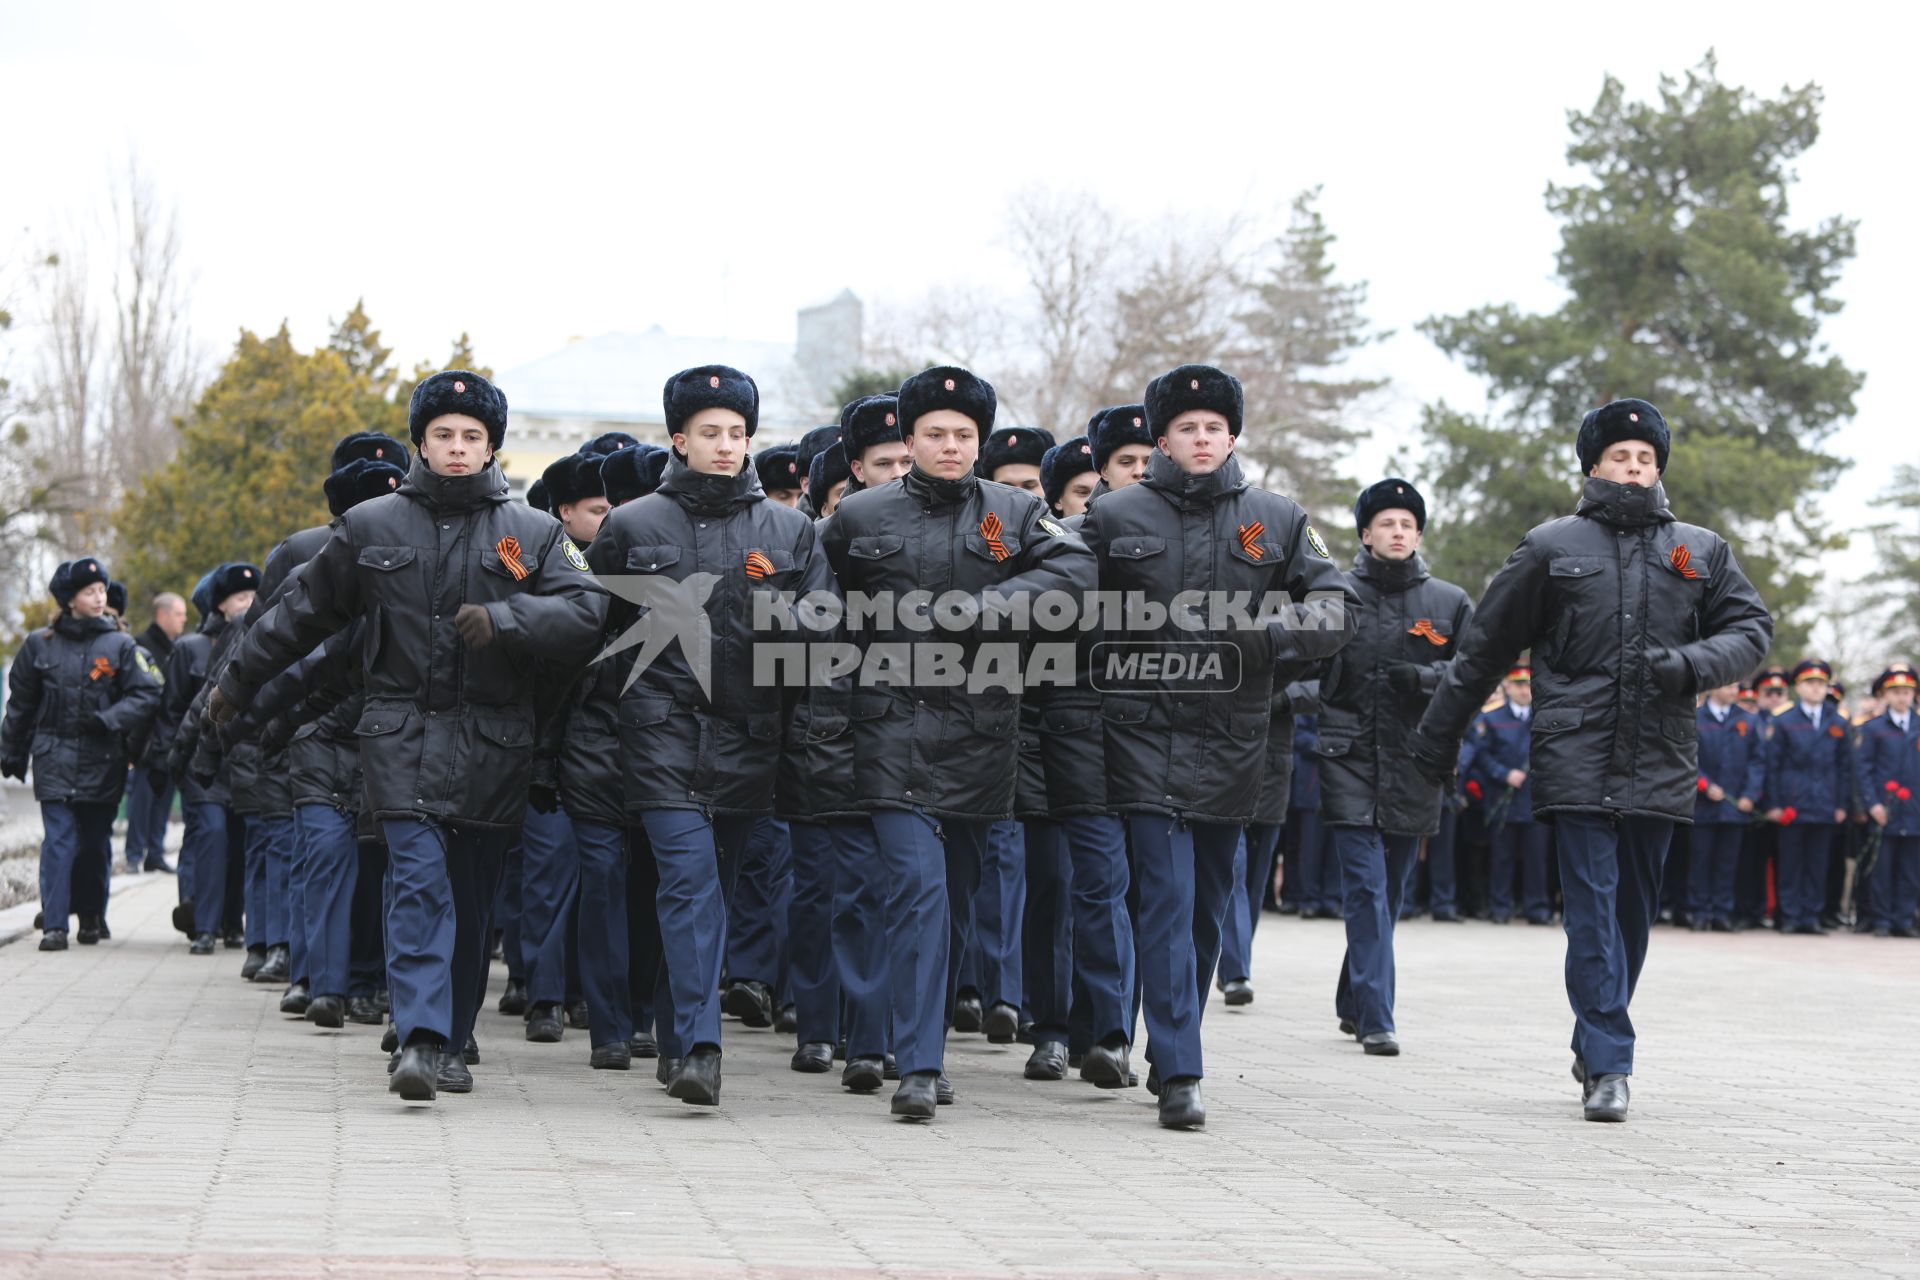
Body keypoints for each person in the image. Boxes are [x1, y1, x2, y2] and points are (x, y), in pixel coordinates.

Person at [210, 369, 606, 1103]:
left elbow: (587, 614)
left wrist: (509, 621)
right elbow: (299, 616)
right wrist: (234, 685)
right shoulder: (372, 528)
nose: (457, 449)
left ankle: (452, 1038)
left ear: (492, 448)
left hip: (493, 745)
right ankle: (419, 1038)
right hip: (397, 737)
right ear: (420, 441)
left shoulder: (535, 533)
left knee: (470, 895)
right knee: (419, 886)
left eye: (473, 437)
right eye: (444, 435)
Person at [1409, 397, 1772, 1122]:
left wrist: (1692, 664)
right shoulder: (1551, 545)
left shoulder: (1699, 549)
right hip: (1575, 751)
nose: (1633, 469)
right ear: (1593, 466)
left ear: (1658, 468)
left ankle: (1594, 1033)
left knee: (1632, 918)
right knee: (1593, 913)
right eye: (1620, 458)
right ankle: (1611, 1063)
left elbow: (1752, 629)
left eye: (1645, 460)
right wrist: (1435, 737)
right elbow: (1484, 652)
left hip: (1660, 755)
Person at [1082, 364, 1356, 1126]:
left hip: (1235, 740)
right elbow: (1060, 603)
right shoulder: (1114, 516)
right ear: (1161, 437)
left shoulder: (1278, 518)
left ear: (1232, 435)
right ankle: (1180, 1071)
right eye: (1185, 428)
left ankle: (1175, 1038)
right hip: (1138, 735)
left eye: (1214, 427)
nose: (1200, 439)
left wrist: (1272, 639)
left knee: (1205, 906)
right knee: (1164, 899)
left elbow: (1335, 608)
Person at [822, 365, 1094, 1120]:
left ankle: (922, 1041)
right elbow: (814, 605)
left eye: (963, 435)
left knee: (957, 906)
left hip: (981, 738)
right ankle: (916, 1065)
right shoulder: (860, 517)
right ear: (908, 440)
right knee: (917, 894)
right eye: (935, 434)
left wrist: (987, 609)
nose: (949, 446)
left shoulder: (1015, 511)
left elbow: (1075, 573)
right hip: (888, 732)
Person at [587, 365, 835, 1106]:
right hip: (658, 734)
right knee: (690, 886)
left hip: (750, 738)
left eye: (736, 433)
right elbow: (593, 634)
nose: (725, 446)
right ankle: (701, 1047)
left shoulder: (790, 531)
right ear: (679, 439)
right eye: (709, 433)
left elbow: (824, 634)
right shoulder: (631, 526)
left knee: (709, 897)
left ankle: (674, 1029)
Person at [1310, 478, 1471, 1054]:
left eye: (1406, 523)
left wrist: (1426, 679)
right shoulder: (1336, 594)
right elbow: (1305, 669)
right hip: (1347, 756)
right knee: (1365, 889)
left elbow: (1474, 677)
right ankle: (1378, 1016)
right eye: (1386, 523)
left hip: (1416, 763)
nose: (1397, 531)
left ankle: (1354, 999)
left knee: (1390, 892)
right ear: (1365, 534)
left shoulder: (1448, 603)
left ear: (1419, 533)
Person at [2, 558, 161, 950]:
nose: (99, 597)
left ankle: (91, 915)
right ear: (70, 599)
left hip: (102, 759)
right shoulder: (40, 644)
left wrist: (109, 719)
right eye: (90, 591)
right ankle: (55, 925)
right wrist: (11, 752)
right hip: (53, 755)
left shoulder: (121, 645)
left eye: (102, 590)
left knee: (93, 843)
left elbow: (148, 693)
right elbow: (20, 703)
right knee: (58, 840)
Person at [1762, 659, 1854, 935]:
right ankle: (1790, 915)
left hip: (1824, 802)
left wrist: (1841, 804)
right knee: (1790, 862)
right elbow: (1772, 766)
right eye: (1810, 683)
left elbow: (1845, 768)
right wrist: (1774, 804)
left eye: (1821, 684)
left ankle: (1811, 916)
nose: (1816, 689)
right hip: (1793, 801)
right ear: (1798, 687)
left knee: (1818, 863)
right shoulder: (1783, 720)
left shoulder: (1838, 721)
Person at [1466, 664, 1552, 926]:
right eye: (1519, 685)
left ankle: (1537, 908)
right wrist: (1503, 774)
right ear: (1507, 686)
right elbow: (1480, 754)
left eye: (1528, 685)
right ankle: (1500, 907)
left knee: (1537, 859)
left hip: (1534, 801)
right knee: (1501, 858)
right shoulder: (1492, 718)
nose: (1525, 690)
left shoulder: (1544, 718)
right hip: (1502, 800)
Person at [1686, 681, 1764, 931]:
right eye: (1729, 685)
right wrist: (1704, 784)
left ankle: (1722, 912)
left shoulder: (1749, 721)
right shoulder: (1696, 717)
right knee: (1700, 860)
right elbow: (1687, 757)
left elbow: (1757, 762)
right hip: (1703, 805)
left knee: (1727, 863)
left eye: (1736, 687)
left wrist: (1749, 795)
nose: (1734, 691)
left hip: (1735, 806)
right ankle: (1698, 911)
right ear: (1715, 685)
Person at [124, 592, 187, 873]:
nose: (183, 619)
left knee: (163, 800)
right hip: (148, 738)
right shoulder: (141, 646)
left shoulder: (178, 648)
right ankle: (134, 855)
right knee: (142, 800)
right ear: (162, 615)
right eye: (179, 614)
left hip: (172, 736)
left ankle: (155, 853)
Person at [1857, 664, 1920, 936]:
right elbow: (1864, 770)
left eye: (1907, 691)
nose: (1902, 696)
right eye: (1895, 691)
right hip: (1884, 810)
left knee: (1910, 871)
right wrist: (1873, 804)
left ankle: (1903, 920)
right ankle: (1881, 919)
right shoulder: (1873, 729)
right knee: (1881, 869)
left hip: (1915, 810)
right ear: (1885, 694)